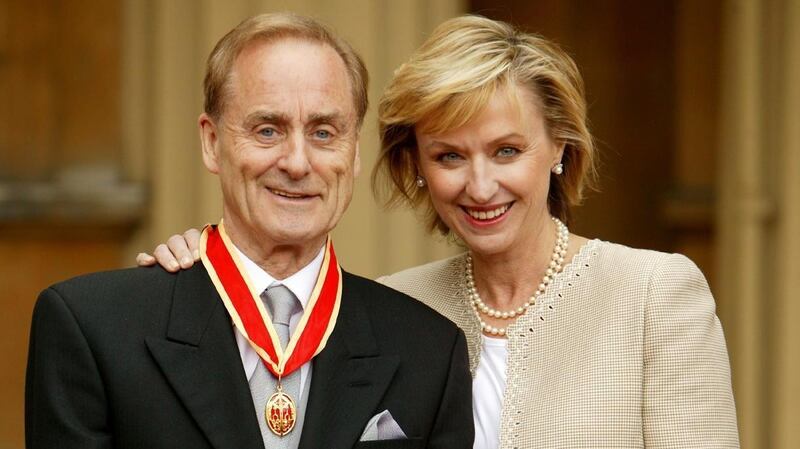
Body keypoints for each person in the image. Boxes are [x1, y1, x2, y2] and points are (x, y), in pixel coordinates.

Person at [139, 15, 740, 449]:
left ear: (559, 146)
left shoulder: (654, 294)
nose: (480, 186)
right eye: (450, 156)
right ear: (419, 167)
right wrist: (199, 273)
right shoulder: (394, 303)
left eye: (506, 151)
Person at [26, 13, 473, 449]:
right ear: (211, 142)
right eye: (267, 130)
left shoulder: (428, 349)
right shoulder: (93, 328)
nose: (297, 162)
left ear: (354, 152)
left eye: (323, 133)